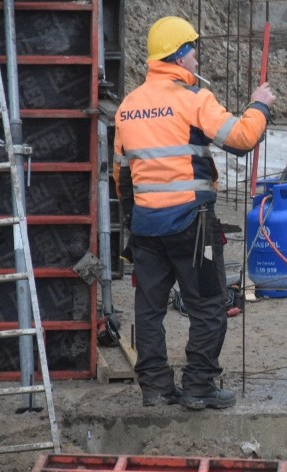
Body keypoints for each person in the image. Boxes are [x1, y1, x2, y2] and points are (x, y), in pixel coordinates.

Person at [112, 16, 276, 410]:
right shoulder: (192, 100)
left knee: (149, 311)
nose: (197, 61)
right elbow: (241, 139)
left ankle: (155, 387)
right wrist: (260, 105)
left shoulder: (128, 106)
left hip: (148, 227)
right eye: (193, 52)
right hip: (191, 225)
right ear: (179, 56)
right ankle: (198, 386)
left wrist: (135, 227)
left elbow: (123, 177)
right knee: (208, 306)